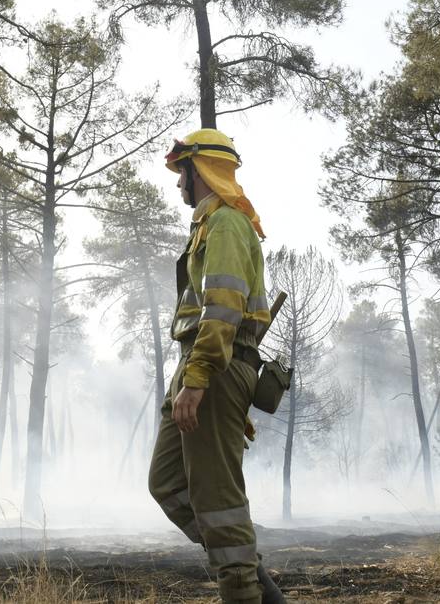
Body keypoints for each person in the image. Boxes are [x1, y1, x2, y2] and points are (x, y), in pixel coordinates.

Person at [148, 128, 285, 603]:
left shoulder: (227, 223)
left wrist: (204, 380)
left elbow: (223, 308)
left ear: (198, 169)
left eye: (180, 173)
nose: (177, 184)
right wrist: (198, 377)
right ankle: (247, 573)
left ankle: (241, 582)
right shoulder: (210, 225)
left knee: (217, 503)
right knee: (167, 483)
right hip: (201, 368)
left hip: (211, 369)